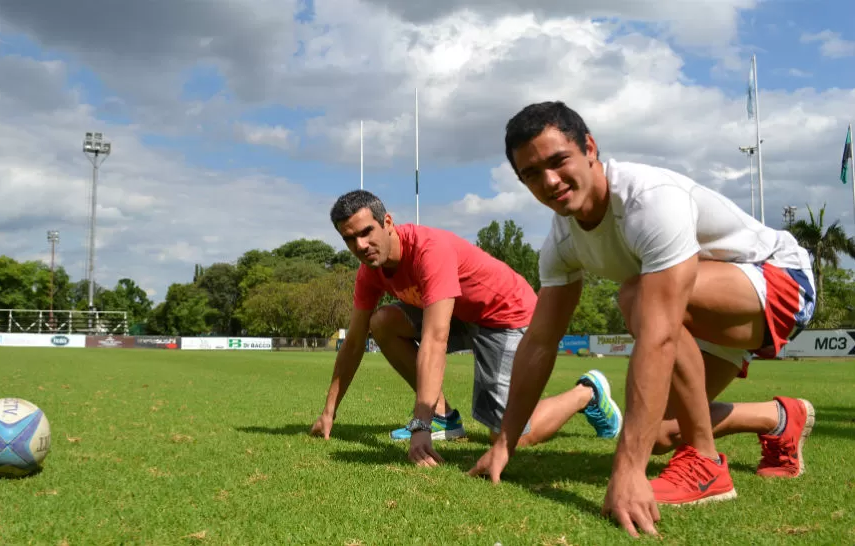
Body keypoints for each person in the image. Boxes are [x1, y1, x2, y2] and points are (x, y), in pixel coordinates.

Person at [468, 101, 816, 538]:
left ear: (589, 148)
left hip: (779, 281)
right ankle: (779, 418)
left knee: (636, 296)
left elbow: (659, 335)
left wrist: (628, 470)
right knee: (658, 432)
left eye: (558, 162)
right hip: (701, 310)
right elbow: (540, 342)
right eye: (532, 175)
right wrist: (504, 443)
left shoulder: (648, 200)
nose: (550, 182)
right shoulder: (561, 242)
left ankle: (706, 465)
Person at [310, 189, 623, 466]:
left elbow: (435, 339)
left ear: (387, 222)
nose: (361, 245)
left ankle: (587, 393)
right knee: (382, 322)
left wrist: (420, 425)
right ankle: (444, 418)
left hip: (505, 315)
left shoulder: (428, 250)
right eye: (350, 239)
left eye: (366, 232)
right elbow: (353, 342)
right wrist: (329, 412)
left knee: (508, 435)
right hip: (461, 313)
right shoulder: (370, 272)